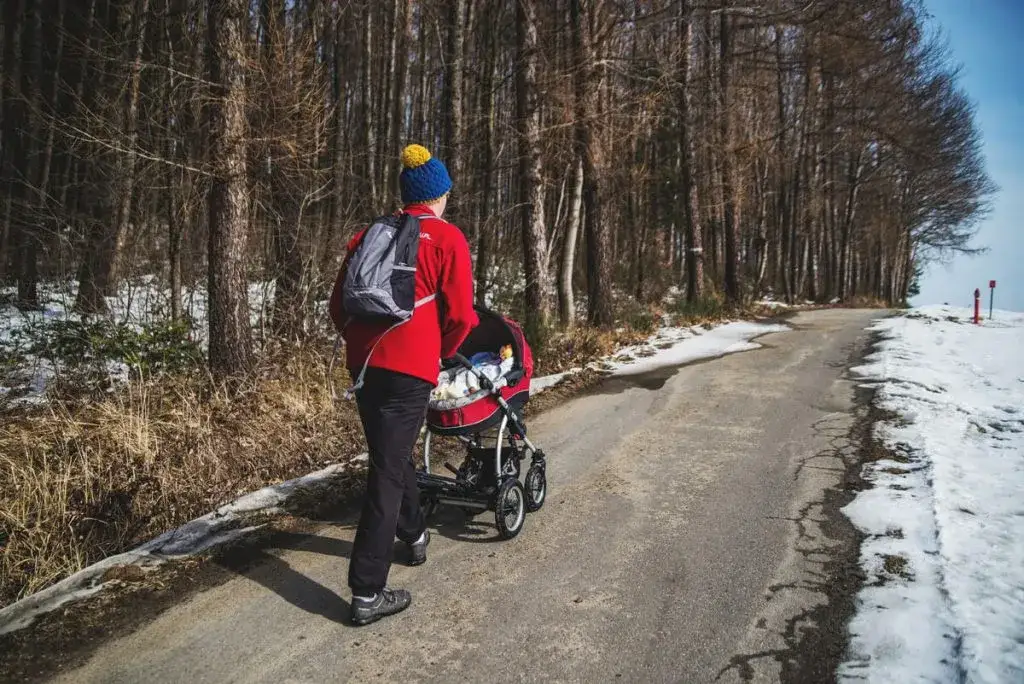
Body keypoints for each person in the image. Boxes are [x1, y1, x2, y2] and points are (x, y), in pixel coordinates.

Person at [329, 144, 478, 626]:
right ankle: (367, 591)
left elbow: (338, 307)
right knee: (387, 470)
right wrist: (437, 351)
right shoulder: (446, 238)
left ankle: (413, 536)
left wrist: (362, 343)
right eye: (447, 191)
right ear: (438, 194)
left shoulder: (370, 233)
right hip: (410, 367)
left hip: (364, 364)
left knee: (390, 458)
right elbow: (460, 316)